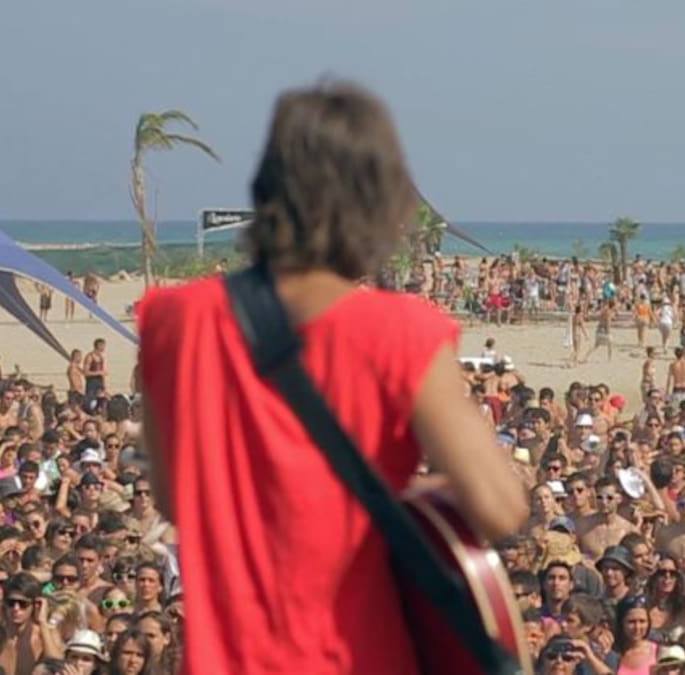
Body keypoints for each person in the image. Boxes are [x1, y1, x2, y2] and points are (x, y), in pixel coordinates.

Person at [136, 82, 527, 673]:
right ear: (380, 200)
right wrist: (413, 499)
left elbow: (171, 496)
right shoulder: (401, 330)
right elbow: (500, 508)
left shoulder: (173, 320)